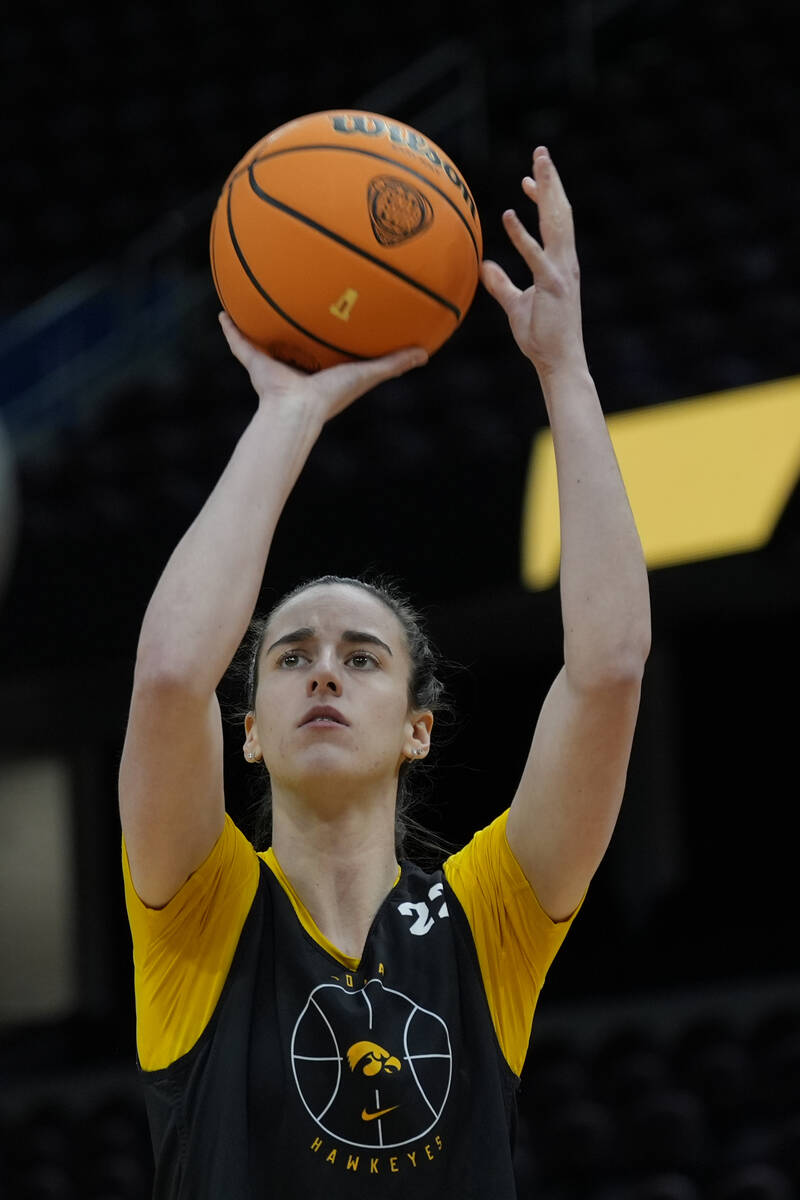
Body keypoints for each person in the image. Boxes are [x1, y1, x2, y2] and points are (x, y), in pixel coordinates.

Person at [119, 146, 651, 1198]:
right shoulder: (201, 908)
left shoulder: (488, 920)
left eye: (362, 659)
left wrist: (564, 370)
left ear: (417, 726)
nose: (323, 672)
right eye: (290, 657)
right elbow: (172, 672)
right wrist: (285, 416)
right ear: (251, 730)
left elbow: (608, 670)